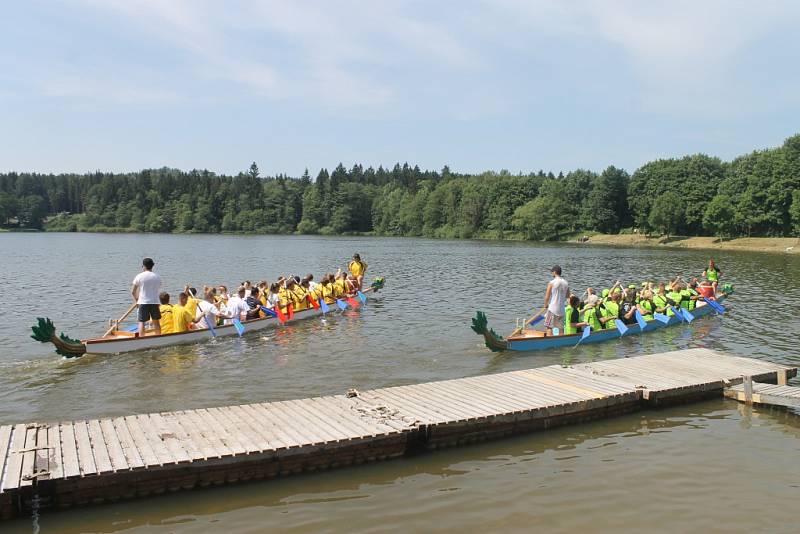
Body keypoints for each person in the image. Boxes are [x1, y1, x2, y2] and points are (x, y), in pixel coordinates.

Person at [131, 257, 162, 336]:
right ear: (152, 266)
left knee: (141, 322)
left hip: (143, 302)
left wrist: (137, 300)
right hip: (155, 302)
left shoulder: (139, 276)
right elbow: (157, 289)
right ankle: (158, 338)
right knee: (156, 322)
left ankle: (142, 339)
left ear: (144, 266)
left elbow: (133, 291)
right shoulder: (157, 277)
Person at [543, 265, 569, 336]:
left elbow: (547, 297)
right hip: (561, 310)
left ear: (554, 272)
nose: (552, 273)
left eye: (552, 272)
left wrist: (545, 305)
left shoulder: (551, 282)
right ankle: (561, 343)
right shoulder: (566, 283)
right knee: (560, 328)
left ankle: (548, 342)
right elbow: (567, 296)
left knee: (549, 327)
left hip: (552, 309)